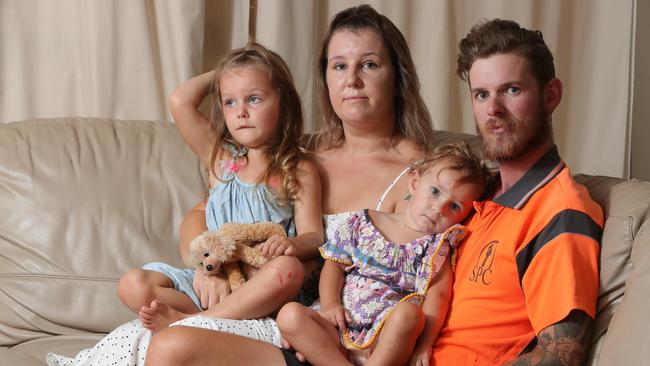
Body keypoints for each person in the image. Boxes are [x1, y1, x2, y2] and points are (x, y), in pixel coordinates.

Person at [144, 4, 438, 366]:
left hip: (332, 338)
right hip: (265, 310)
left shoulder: (419, 176)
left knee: (170, 346)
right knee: (150, 328)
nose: (352, 80)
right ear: (325, 77)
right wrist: (210, 268)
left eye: (370, 64)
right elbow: (202, 212)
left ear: (398, 75)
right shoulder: (296, 153)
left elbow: (420, 281)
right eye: (339, 66)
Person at [429, 19, 604, 365]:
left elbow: (560, 356)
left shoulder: (558, 211)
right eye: (481, 94)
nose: (493, 109)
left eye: (511, 90)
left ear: (550, 95)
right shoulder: (474, 193)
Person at [117, 42, 324, 333]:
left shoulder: (298, 168)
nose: (240, 112)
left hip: (261, 283)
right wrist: (227, 73)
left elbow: (314, 235)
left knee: (288, 270)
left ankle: (191, 324)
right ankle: (213, 317)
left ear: (283, 101)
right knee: (132, 285)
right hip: (216, 277)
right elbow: (180, 101)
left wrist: (290, 245)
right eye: (230, 101)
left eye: (253, 99)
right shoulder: (221, 158)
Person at [277, 142, 488, 366]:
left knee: (410, 315)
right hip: (339, 325)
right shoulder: (363, 222)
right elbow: (334, 266)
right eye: (435, 191)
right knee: (289, 316)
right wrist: (329, 305)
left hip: (383, 342)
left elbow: (438, 298)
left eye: (454, 207)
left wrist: (425, 344)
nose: (439, 208)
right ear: (415, 183)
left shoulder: (436, 248)